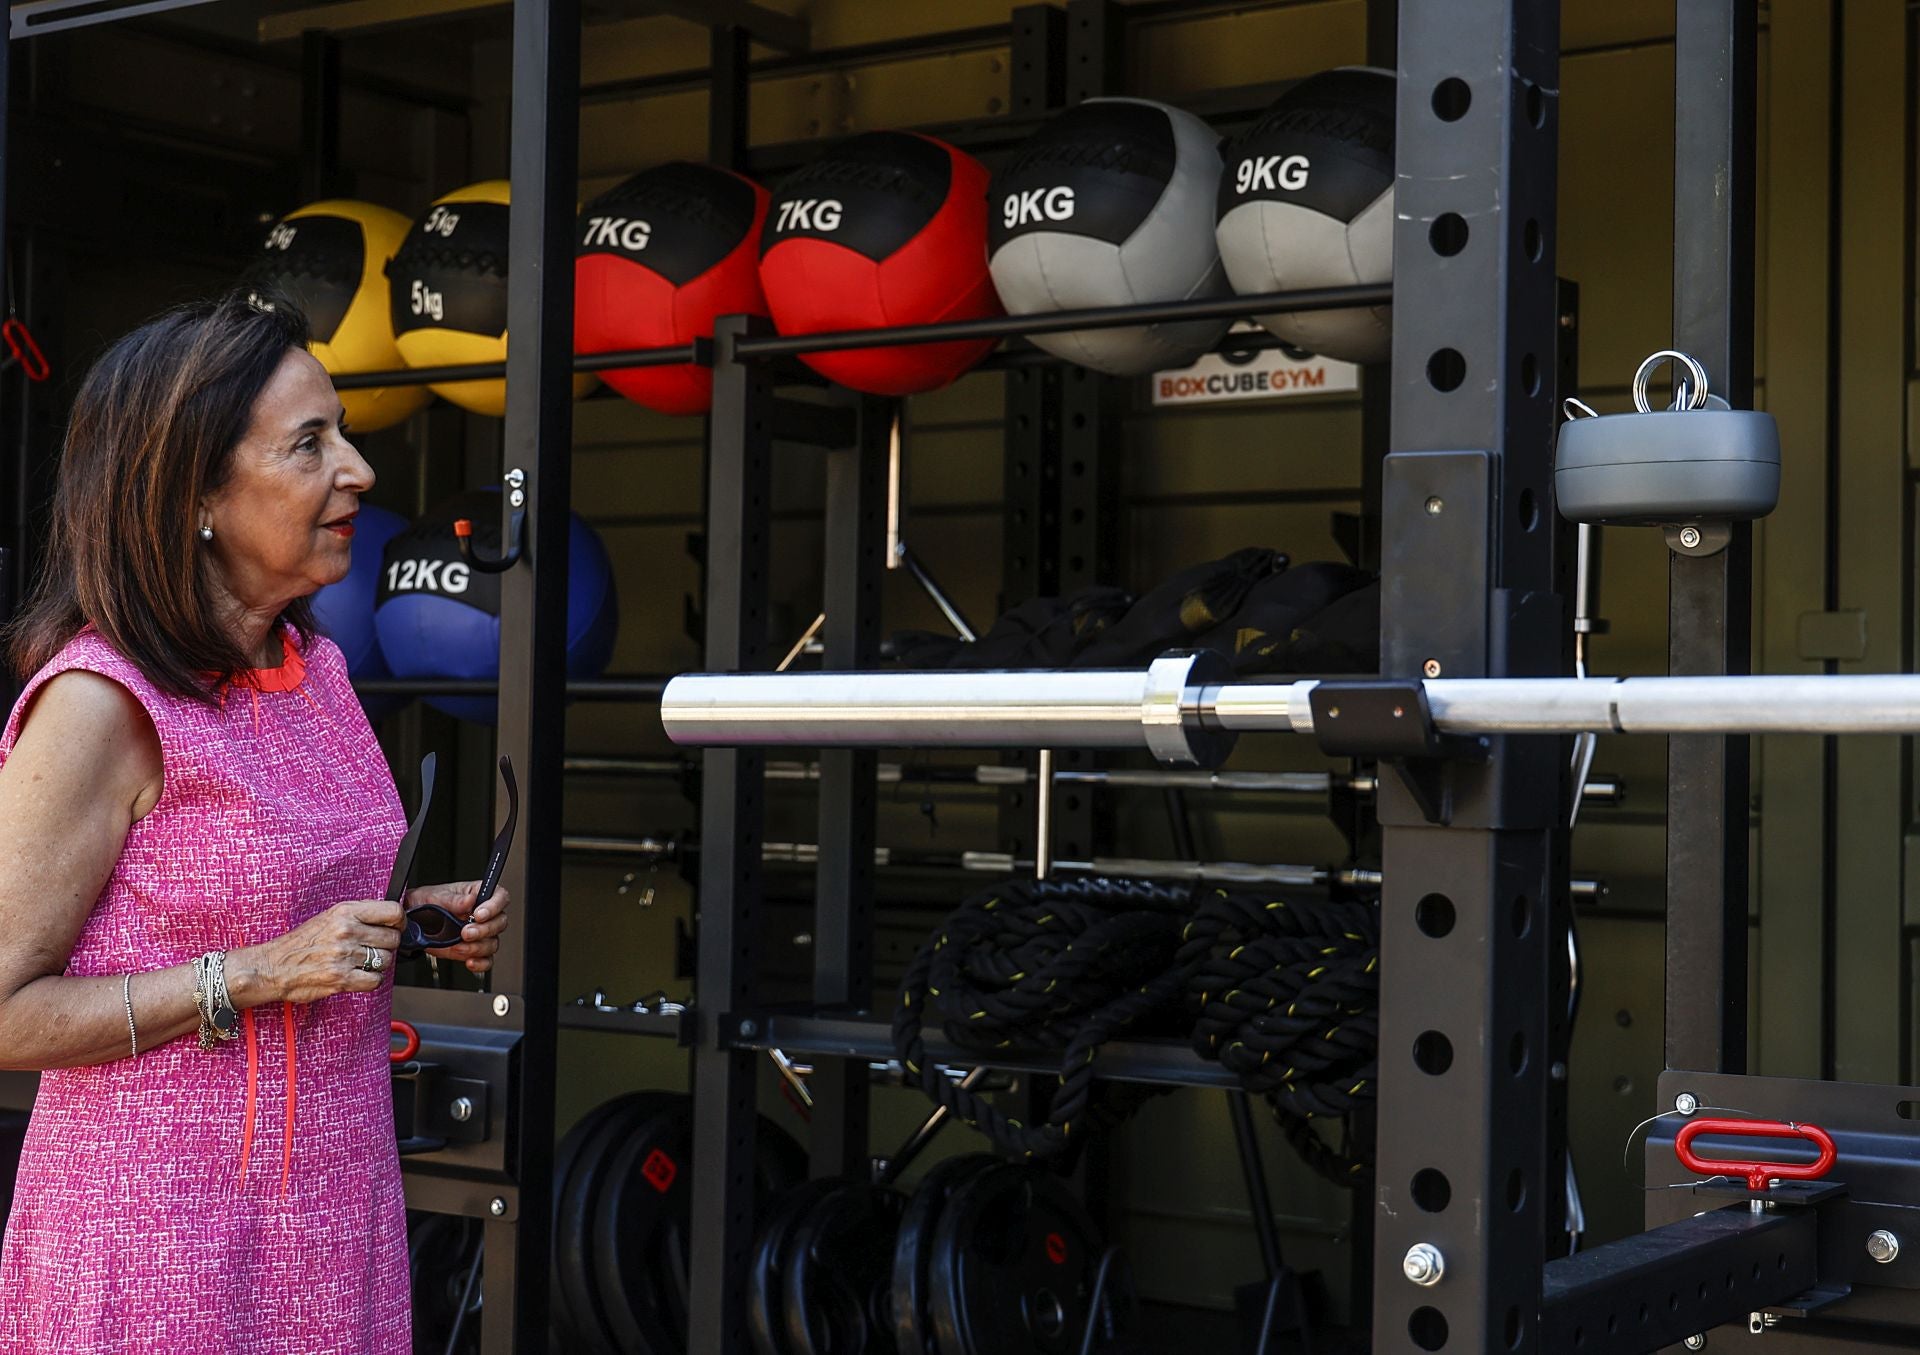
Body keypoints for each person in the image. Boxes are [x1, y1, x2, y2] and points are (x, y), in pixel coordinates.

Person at [0, 292, 511, 1353]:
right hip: (154, 1253)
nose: (359, 472)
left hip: (334, 1228)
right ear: (195, 494)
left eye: (345, 433)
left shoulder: (314, 668)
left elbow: (281, 900)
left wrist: (407, 916)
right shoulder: (100, 702)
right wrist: (256, 972)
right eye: (309, 444)